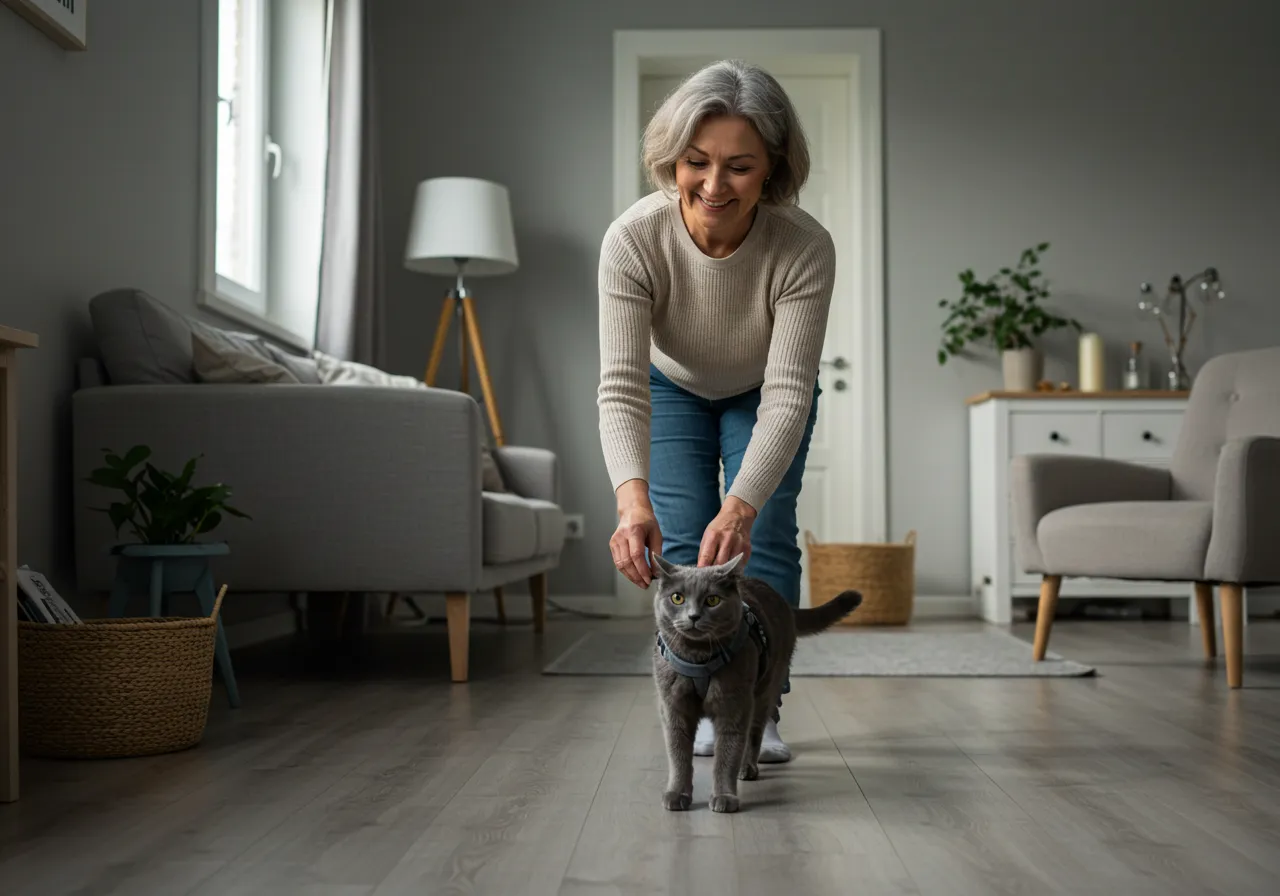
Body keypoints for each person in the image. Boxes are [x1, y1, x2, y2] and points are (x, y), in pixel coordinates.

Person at [596, 59, 837, 762]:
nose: (712, 185)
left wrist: (741, 506)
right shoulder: (633, 240)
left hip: (766, 390)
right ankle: (699, 701)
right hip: (670, 386)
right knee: (681, 548)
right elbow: (619, 384)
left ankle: (761, 710)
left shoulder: (803, 247)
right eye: (695, 162)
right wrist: (629, 500)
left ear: (773, 170)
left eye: (739, 166)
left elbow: (789, 393)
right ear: (672, 160)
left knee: (758, 544)